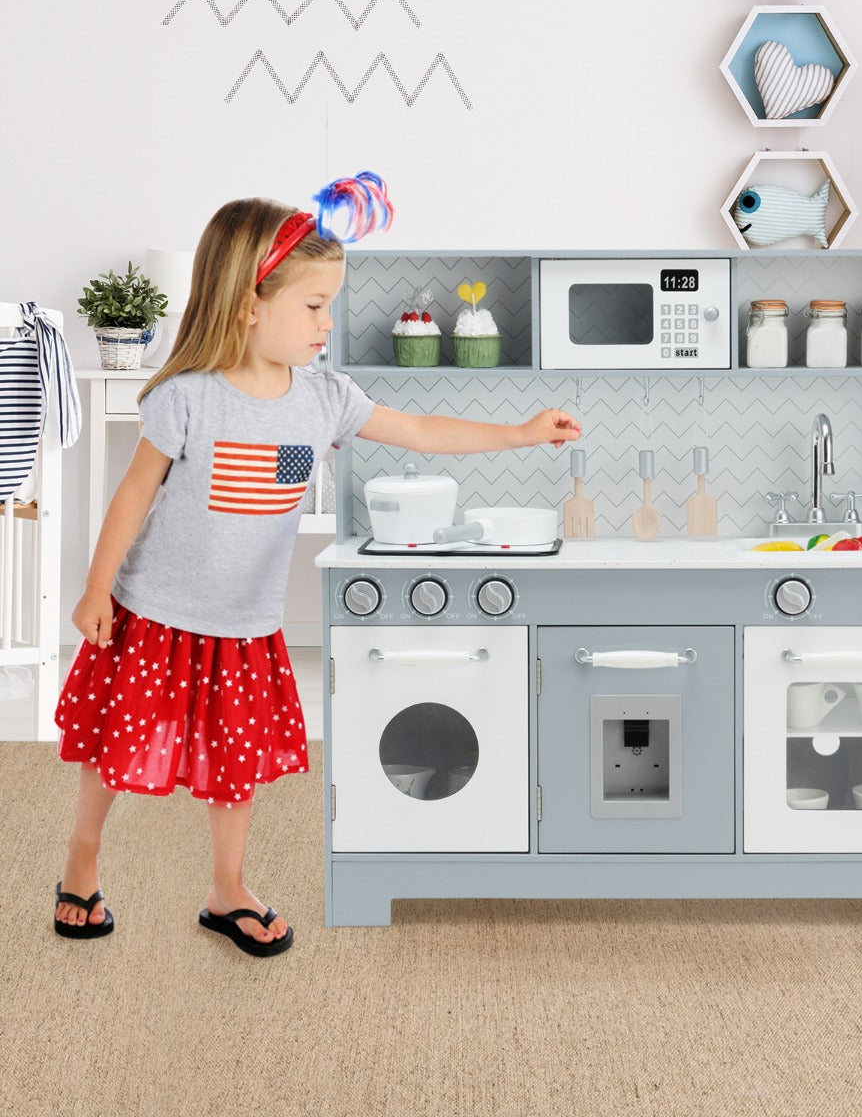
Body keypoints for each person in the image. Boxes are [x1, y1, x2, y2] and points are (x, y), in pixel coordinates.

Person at [52, 183, 580, 955]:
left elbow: (420, 429)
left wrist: (520, 433)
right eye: (313, 305)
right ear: (248, 305)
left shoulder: (326, 398)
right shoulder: (188, 399)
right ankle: (82, 858)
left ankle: (226, 889)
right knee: (116, 748)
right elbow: (133, 495)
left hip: (245, 624)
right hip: (156, 612)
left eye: (329, 304)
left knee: (236, 766)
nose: (327, 322)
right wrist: (97, 589)